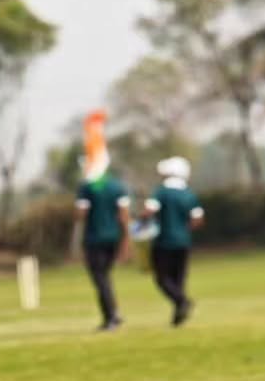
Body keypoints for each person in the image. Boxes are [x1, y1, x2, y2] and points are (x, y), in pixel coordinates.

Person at [71, 110, 132, 331]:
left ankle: (111, 317)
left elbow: (80, 215)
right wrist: (126, 241)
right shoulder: (116, 185)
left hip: (95, 239)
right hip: (113, 237)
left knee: (100, 279)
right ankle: (113, 313)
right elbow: (124, 216)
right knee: (105, 277)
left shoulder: (87, 187)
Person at [145, 156, 204, 325]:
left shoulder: (161, 192)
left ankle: (182, 302)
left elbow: (149, 210)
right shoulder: (188, 194)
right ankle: (178, 315)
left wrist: (143, 221)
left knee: (162, 278)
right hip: (183, 242)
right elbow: (197, 219)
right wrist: (183, 229)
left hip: (163, 242)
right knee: (179, 279)